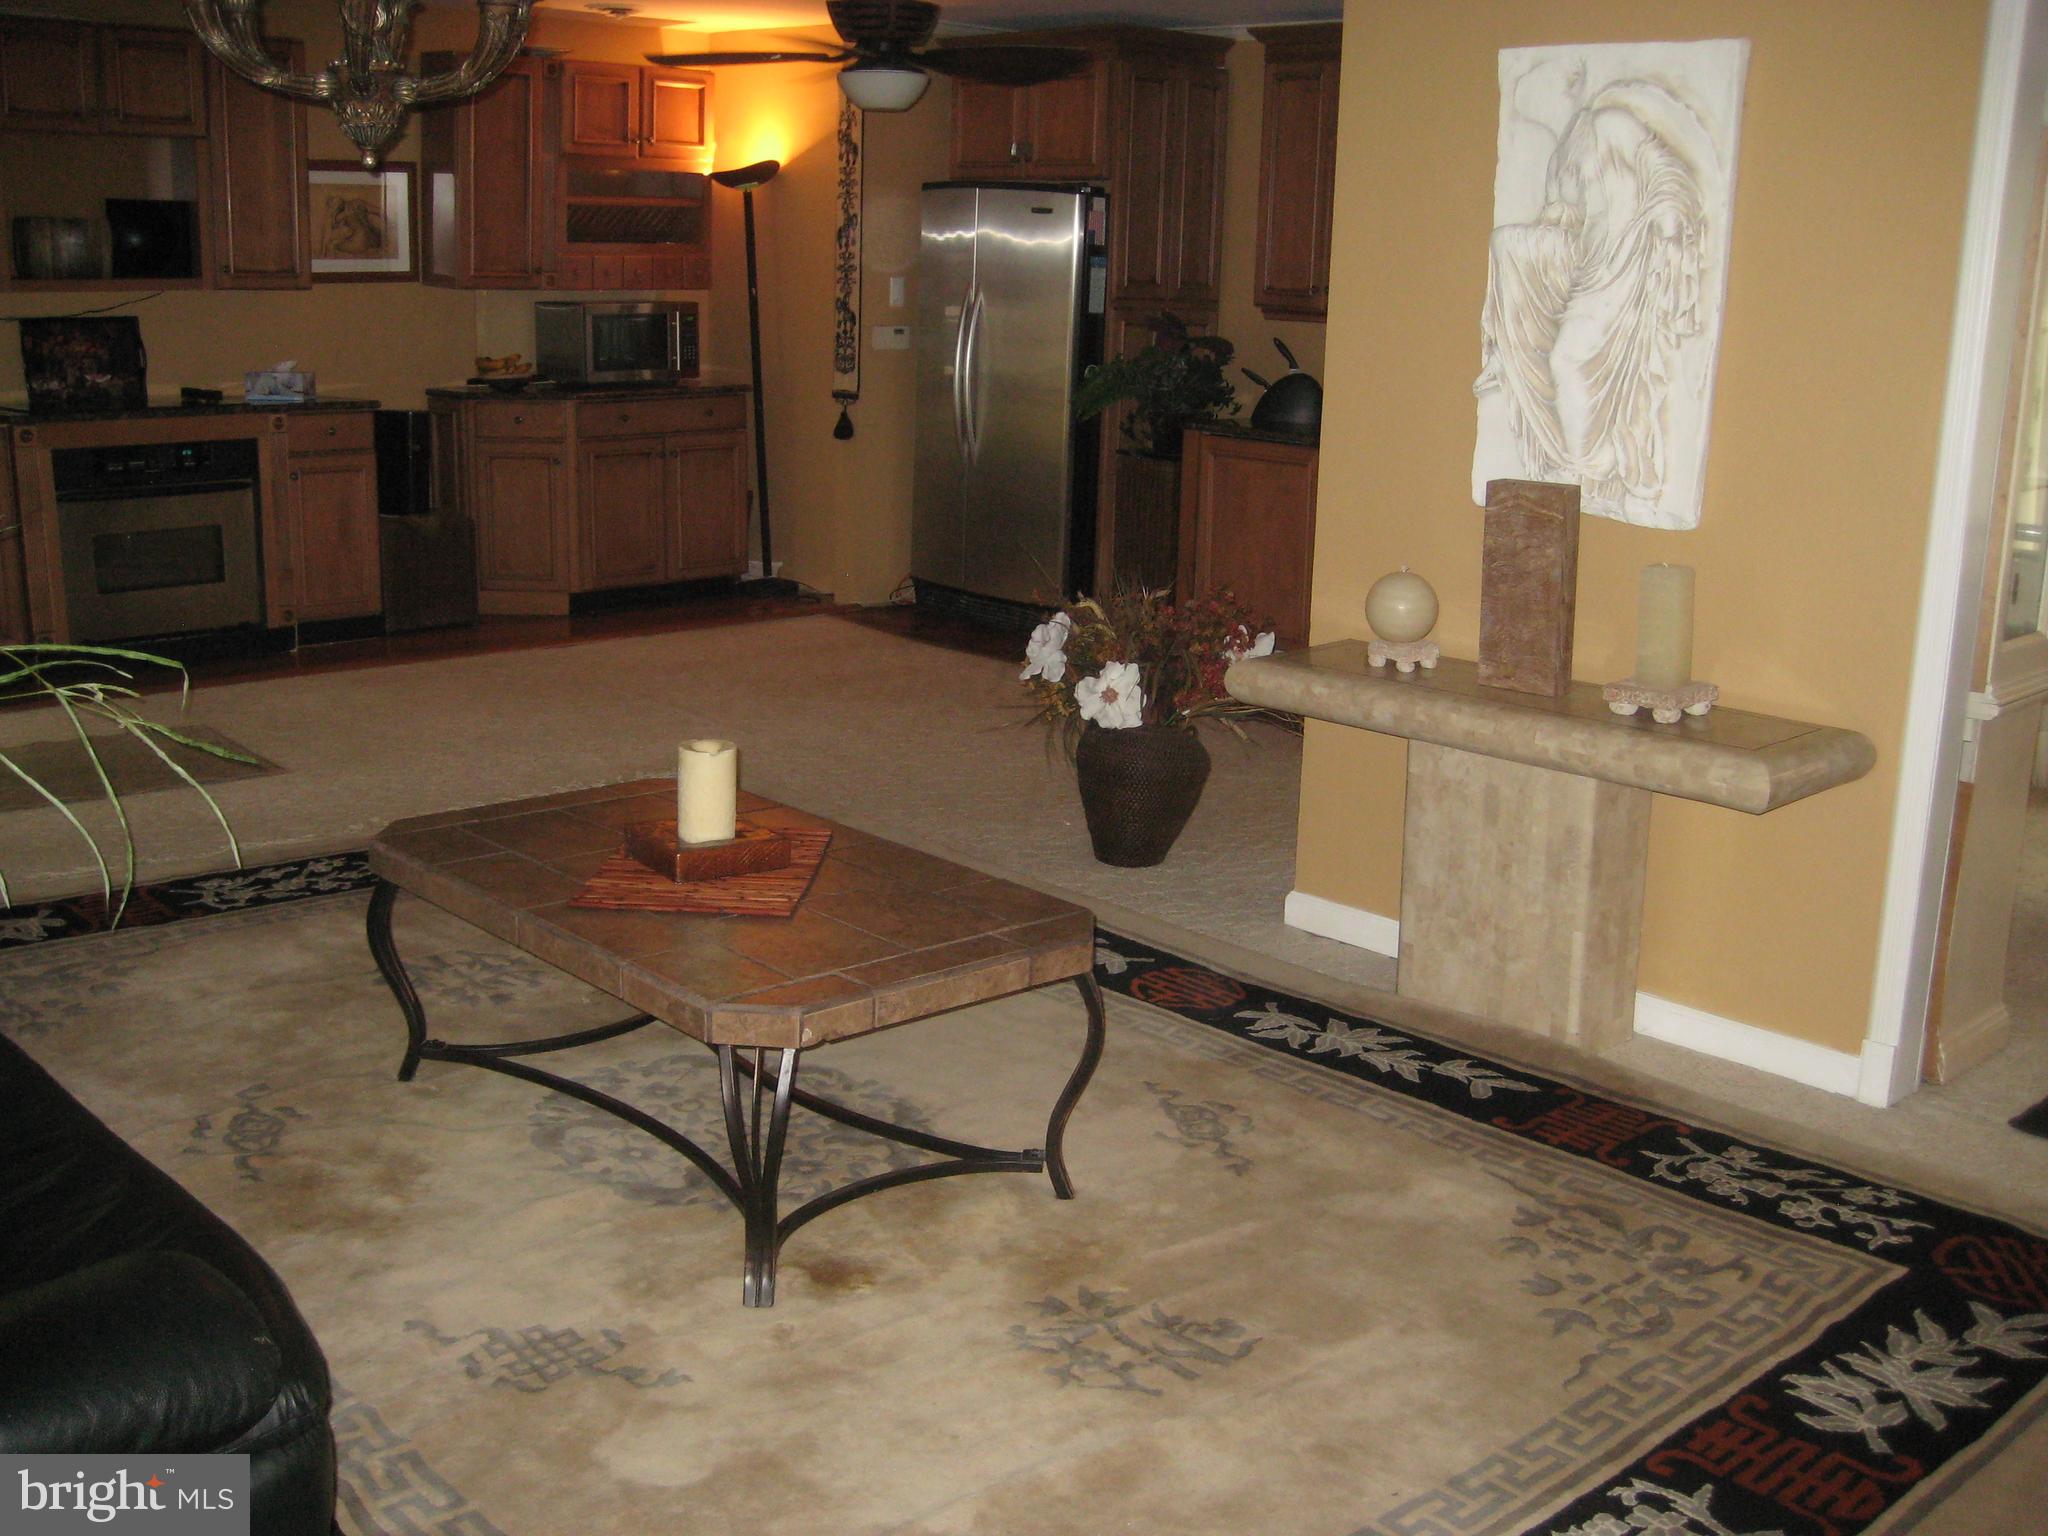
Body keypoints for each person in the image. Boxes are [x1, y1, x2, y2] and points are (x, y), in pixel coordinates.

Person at [1476, 79, 1710, 526]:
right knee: (1506, 242)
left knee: (1568, 359)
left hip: (1623, 258)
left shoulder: (1612, 123)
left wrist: (1668, 216)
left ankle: (1581, 467)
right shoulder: (1567, 149)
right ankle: (1508, 347)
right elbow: (1565, 209)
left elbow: (1661, 168)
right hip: (1588, 254)